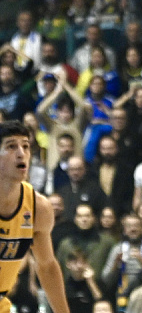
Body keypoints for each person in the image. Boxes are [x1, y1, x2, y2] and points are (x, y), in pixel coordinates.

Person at [0, 120, 70, 313]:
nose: (22, 153)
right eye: (11, 146)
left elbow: (47, 266)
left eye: (26, 146)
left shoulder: (38, 207)